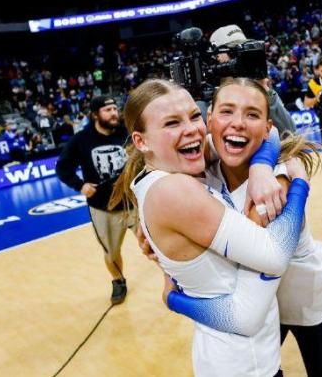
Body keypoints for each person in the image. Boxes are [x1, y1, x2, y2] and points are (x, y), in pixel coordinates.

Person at [109, 78, 310, 376]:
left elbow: (267, 134)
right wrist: (299, 181)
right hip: (242, 366)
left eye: (194, 116)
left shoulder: (169, 170)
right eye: (172, 123)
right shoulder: (174, 189)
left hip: (232, 358)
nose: (192, 130)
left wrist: (261, 166)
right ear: (141, 141)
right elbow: (275, 257)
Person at [164, 78, 322, 376]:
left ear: (266, 128)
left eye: (252, 114)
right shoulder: (204, 166)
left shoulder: (276, 182)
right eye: (227, 111)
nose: (238, 122)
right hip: (265, 305)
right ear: (209, 119)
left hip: (308, 298)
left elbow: (249, 287)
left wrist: (174, 296)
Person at [56, 95, 134, 305]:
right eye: (108, 110)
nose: (114, 113)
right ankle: (118, 280)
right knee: (111, 252)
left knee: (156, 242)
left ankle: (175, 278)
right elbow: (62, 168)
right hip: (103, 207)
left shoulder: (127, 132)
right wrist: (80, 185)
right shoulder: (81, 140)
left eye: (115, 109)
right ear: (95, 115)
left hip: (133, 202)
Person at [209, 24, 296, 136]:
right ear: (217, 57)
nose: (240, 56)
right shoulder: (208, 96)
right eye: (233, 51)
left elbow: (290, 134)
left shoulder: (261, 90)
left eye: (243, 50)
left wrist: (267, 93)